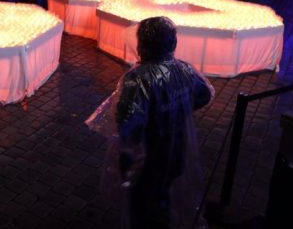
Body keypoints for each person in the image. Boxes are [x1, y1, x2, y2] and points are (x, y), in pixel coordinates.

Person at [86, 17, 214, 228]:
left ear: (143, 44)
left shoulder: (138, 78)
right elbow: (204, 95)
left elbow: (128, 123)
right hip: (177, 150)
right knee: (162, 195)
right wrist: (178, 110)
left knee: (144, 206)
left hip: (149, 156)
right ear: (172, 42)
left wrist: (127, 154)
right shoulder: (184, 69)